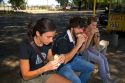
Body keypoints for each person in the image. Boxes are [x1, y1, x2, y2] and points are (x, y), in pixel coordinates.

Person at [19, 18, 71, 83]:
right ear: (38, 33)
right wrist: (45, 68)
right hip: (31, 78)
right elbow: (25, 76)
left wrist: (58, 58)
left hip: (44, 73)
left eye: (53, 37)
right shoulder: (25, 46)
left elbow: (49, 57)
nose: (51, 40)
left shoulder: (48, 42)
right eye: (48, 37)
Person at [52, 16, 94, 83]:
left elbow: (79, 53)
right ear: (72, 28)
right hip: (61, 65)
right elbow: (64, 60)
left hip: (72, 59)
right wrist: (77, 45)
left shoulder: (75, 36)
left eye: (82, 29)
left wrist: (83, 43)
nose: (81, 31)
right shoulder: (63, 39)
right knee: (77, 81)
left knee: (90, 67)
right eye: (78, 28)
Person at [82, 16, 116, 83]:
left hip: (90, 48)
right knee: (100, 60)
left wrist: (97, 35)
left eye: (96, 25)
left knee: (104, 58)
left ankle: (108, 77)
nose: (95, 27)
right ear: (88, 24)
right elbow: (85, 47)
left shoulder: (93, 30)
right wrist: (91, 34)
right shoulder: (84, 31)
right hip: (84, 51)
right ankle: (105, 80)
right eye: (93, 25)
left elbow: (97, 45)